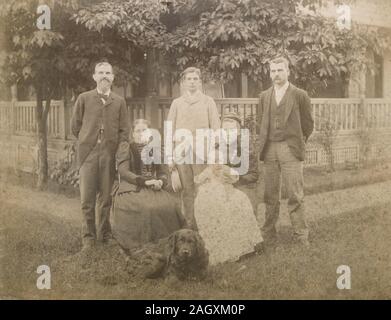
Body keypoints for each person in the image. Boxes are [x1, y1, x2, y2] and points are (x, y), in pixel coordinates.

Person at [71, 61, 130, 251]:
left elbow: (124, 131)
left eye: (108, 73)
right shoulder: (84, 98)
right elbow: (75, 127)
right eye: (100, 72)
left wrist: (116, 154)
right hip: (88, 154)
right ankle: (88, 237)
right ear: (94, 76)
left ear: (112, 77)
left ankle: (104, 234)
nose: (104, 76)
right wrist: (88, 142)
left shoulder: (119, 101)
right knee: (87, 199)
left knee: (105, 198)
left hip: (108, 155)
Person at [257, 56, 314, 248]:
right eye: (273, 71)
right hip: (270, 148)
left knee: (294, 194)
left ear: (288, 71)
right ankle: (268, 236)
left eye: (280, 70)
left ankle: (301, 236)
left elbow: (308, 124)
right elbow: (261, 123)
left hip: (290, 149)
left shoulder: (299, 95)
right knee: (270, 195)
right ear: (269, 72)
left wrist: (296, 141)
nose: (276, 74)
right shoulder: (264, 96)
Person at [111, 119, 185, 250]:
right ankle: (145, 244)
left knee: (170, 205)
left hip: (152, 187)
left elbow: (162, 172)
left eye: (144, 130)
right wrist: (144, 181)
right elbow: (123, 172)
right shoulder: (126, 147)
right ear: (132, 134)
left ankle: (167, 242)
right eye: (137, 131)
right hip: (131, 188)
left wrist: (161, 181)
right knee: (148, 208)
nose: (140, 133)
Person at [167, 67, 220, 230]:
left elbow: (216, 129)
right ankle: (189, 225)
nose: (192, 82)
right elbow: (170, 131)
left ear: (200, 81)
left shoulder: (208, 101)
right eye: (188, 79)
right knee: (187, 190)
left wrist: (213, 153)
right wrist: (170, 158)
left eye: (195, 79)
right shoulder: (177, 103)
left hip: (202, 153)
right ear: (183, 82)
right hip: (181, 153)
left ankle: (205, 225)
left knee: (202, 189)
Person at [194, 162, 264, 266]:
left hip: (227, 192)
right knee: (207, 203)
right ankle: (220, 248)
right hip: (213, 194)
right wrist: (206, 182)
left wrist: (227, 180)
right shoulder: (208, 171)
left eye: (218, 160)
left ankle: (243, 245)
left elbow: (235, 177)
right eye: (213, 161)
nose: (216, 164)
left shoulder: (225, 169)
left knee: (240, 200)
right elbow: (198, 179)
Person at [221, 111, 260, 212]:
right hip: (227, 185)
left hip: (245, 184)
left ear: (238, 131)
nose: (228, 134)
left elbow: (253, 175)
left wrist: (236, 177)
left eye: (232, 130)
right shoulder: (220, 145)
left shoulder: (246, 145)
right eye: (225, 130)